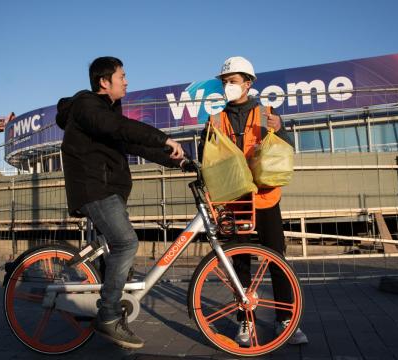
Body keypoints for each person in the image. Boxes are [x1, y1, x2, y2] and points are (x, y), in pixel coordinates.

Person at [55, 56, 184, 349]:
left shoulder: (106, 112)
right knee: (126, 243)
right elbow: (123, 129)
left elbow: (131, 142)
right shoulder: (88, 106)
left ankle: (109, 306)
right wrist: (163, 138)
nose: (126, 81)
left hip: (107, 190)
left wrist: (176, 161)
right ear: (104, 82)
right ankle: (109, 317)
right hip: (94, 190)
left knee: (115, 255)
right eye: (122, 76)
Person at [199, 56, 308, 346]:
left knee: (277, 259)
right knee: (239, 264)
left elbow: (285, 151)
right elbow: (206, 157)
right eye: (224, 82)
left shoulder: (266, 114)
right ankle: (244, 321)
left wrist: (280, 128)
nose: (227, 86)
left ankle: (286, 320)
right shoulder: (215, 119)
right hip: (233, 201)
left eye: (232, 81)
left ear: (248, 83)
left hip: (264, 197)